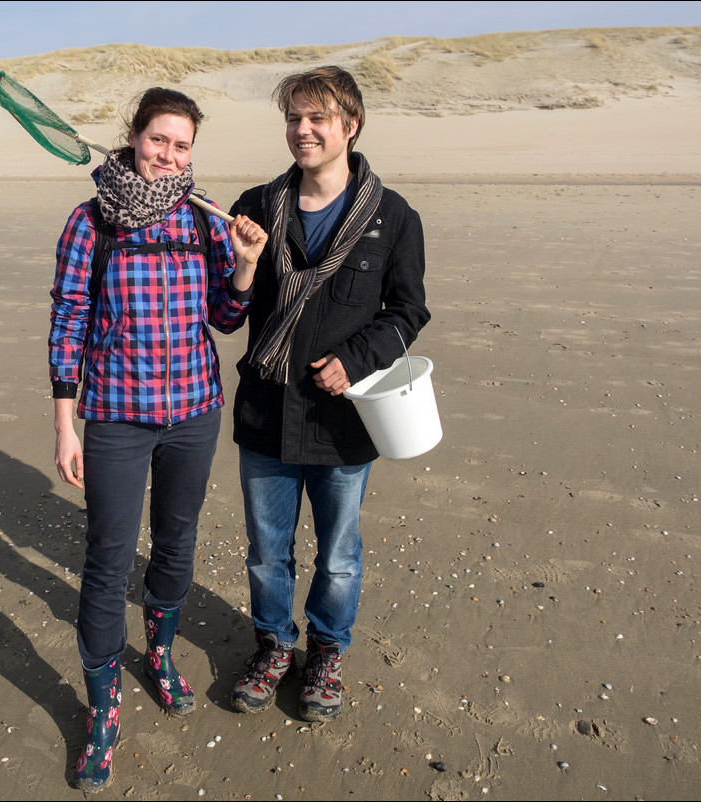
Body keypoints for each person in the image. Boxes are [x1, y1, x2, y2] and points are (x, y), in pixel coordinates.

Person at [49, 87, 267, 791]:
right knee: (108, 558)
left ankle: (159, 653)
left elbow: (225, 317)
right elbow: (69, 322)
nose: (168, 156)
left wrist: (243, 263)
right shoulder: (91, 224)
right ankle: (103, 707)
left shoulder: (202, 219)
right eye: (158, 141)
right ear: (134, 138)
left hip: (194, 410)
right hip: (115, 414)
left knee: (176, 543)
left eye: (182, 146)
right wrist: (65, 425)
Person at [227, 67, 430, 723]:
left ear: (351, 125)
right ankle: (275, 646)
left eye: (318, 118)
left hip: (342, 424)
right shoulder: (256, 206)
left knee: (339, 556)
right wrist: (246, 264)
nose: (303, 130)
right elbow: (228, 309)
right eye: (294, 118)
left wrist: (354, 360)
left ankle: (326, 651)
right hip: (265, 414)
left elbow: (406, 312)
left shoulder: (394, 217)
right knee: (266, 553)